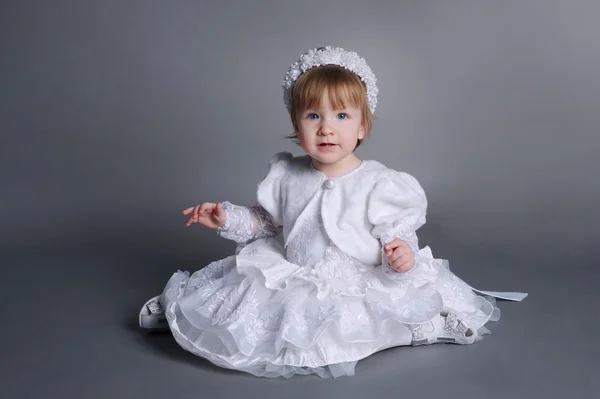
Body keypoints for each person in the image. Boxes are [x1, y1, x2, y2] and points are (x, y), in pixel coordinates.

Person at [138, 46, 527, 378]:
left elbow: (396, 230)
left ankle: (424, 326)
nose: (326, 129)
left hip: (355, 276)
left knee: (355, 325)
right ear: (296, 124)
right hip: (294, 270)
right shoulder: (288, 174)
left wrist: (400, 254)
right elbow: (266, 222)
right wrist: (225, 217)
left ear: (361, 127)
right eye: (313, 116)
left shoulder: (378, 182)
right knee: (246, 301)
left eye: (341, 116)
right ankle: (183, 313)